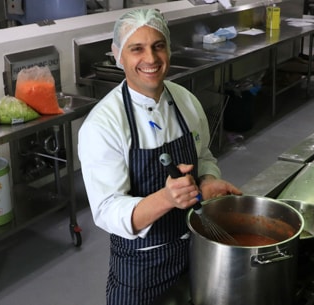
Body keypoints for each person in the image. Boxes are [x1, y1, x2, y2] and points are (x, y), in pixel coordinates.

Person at [78, 8, 241, 305]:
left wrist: (208, 180)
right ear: (119, 56)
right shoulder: (103, 124)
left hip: (197, 251)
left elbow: (203, 154)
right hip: (142, 270)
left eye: (158, 46)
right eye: (136, 49)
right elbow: (107, 210)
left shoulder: (185, 100)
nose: (151, 59)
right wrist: (167, 199)